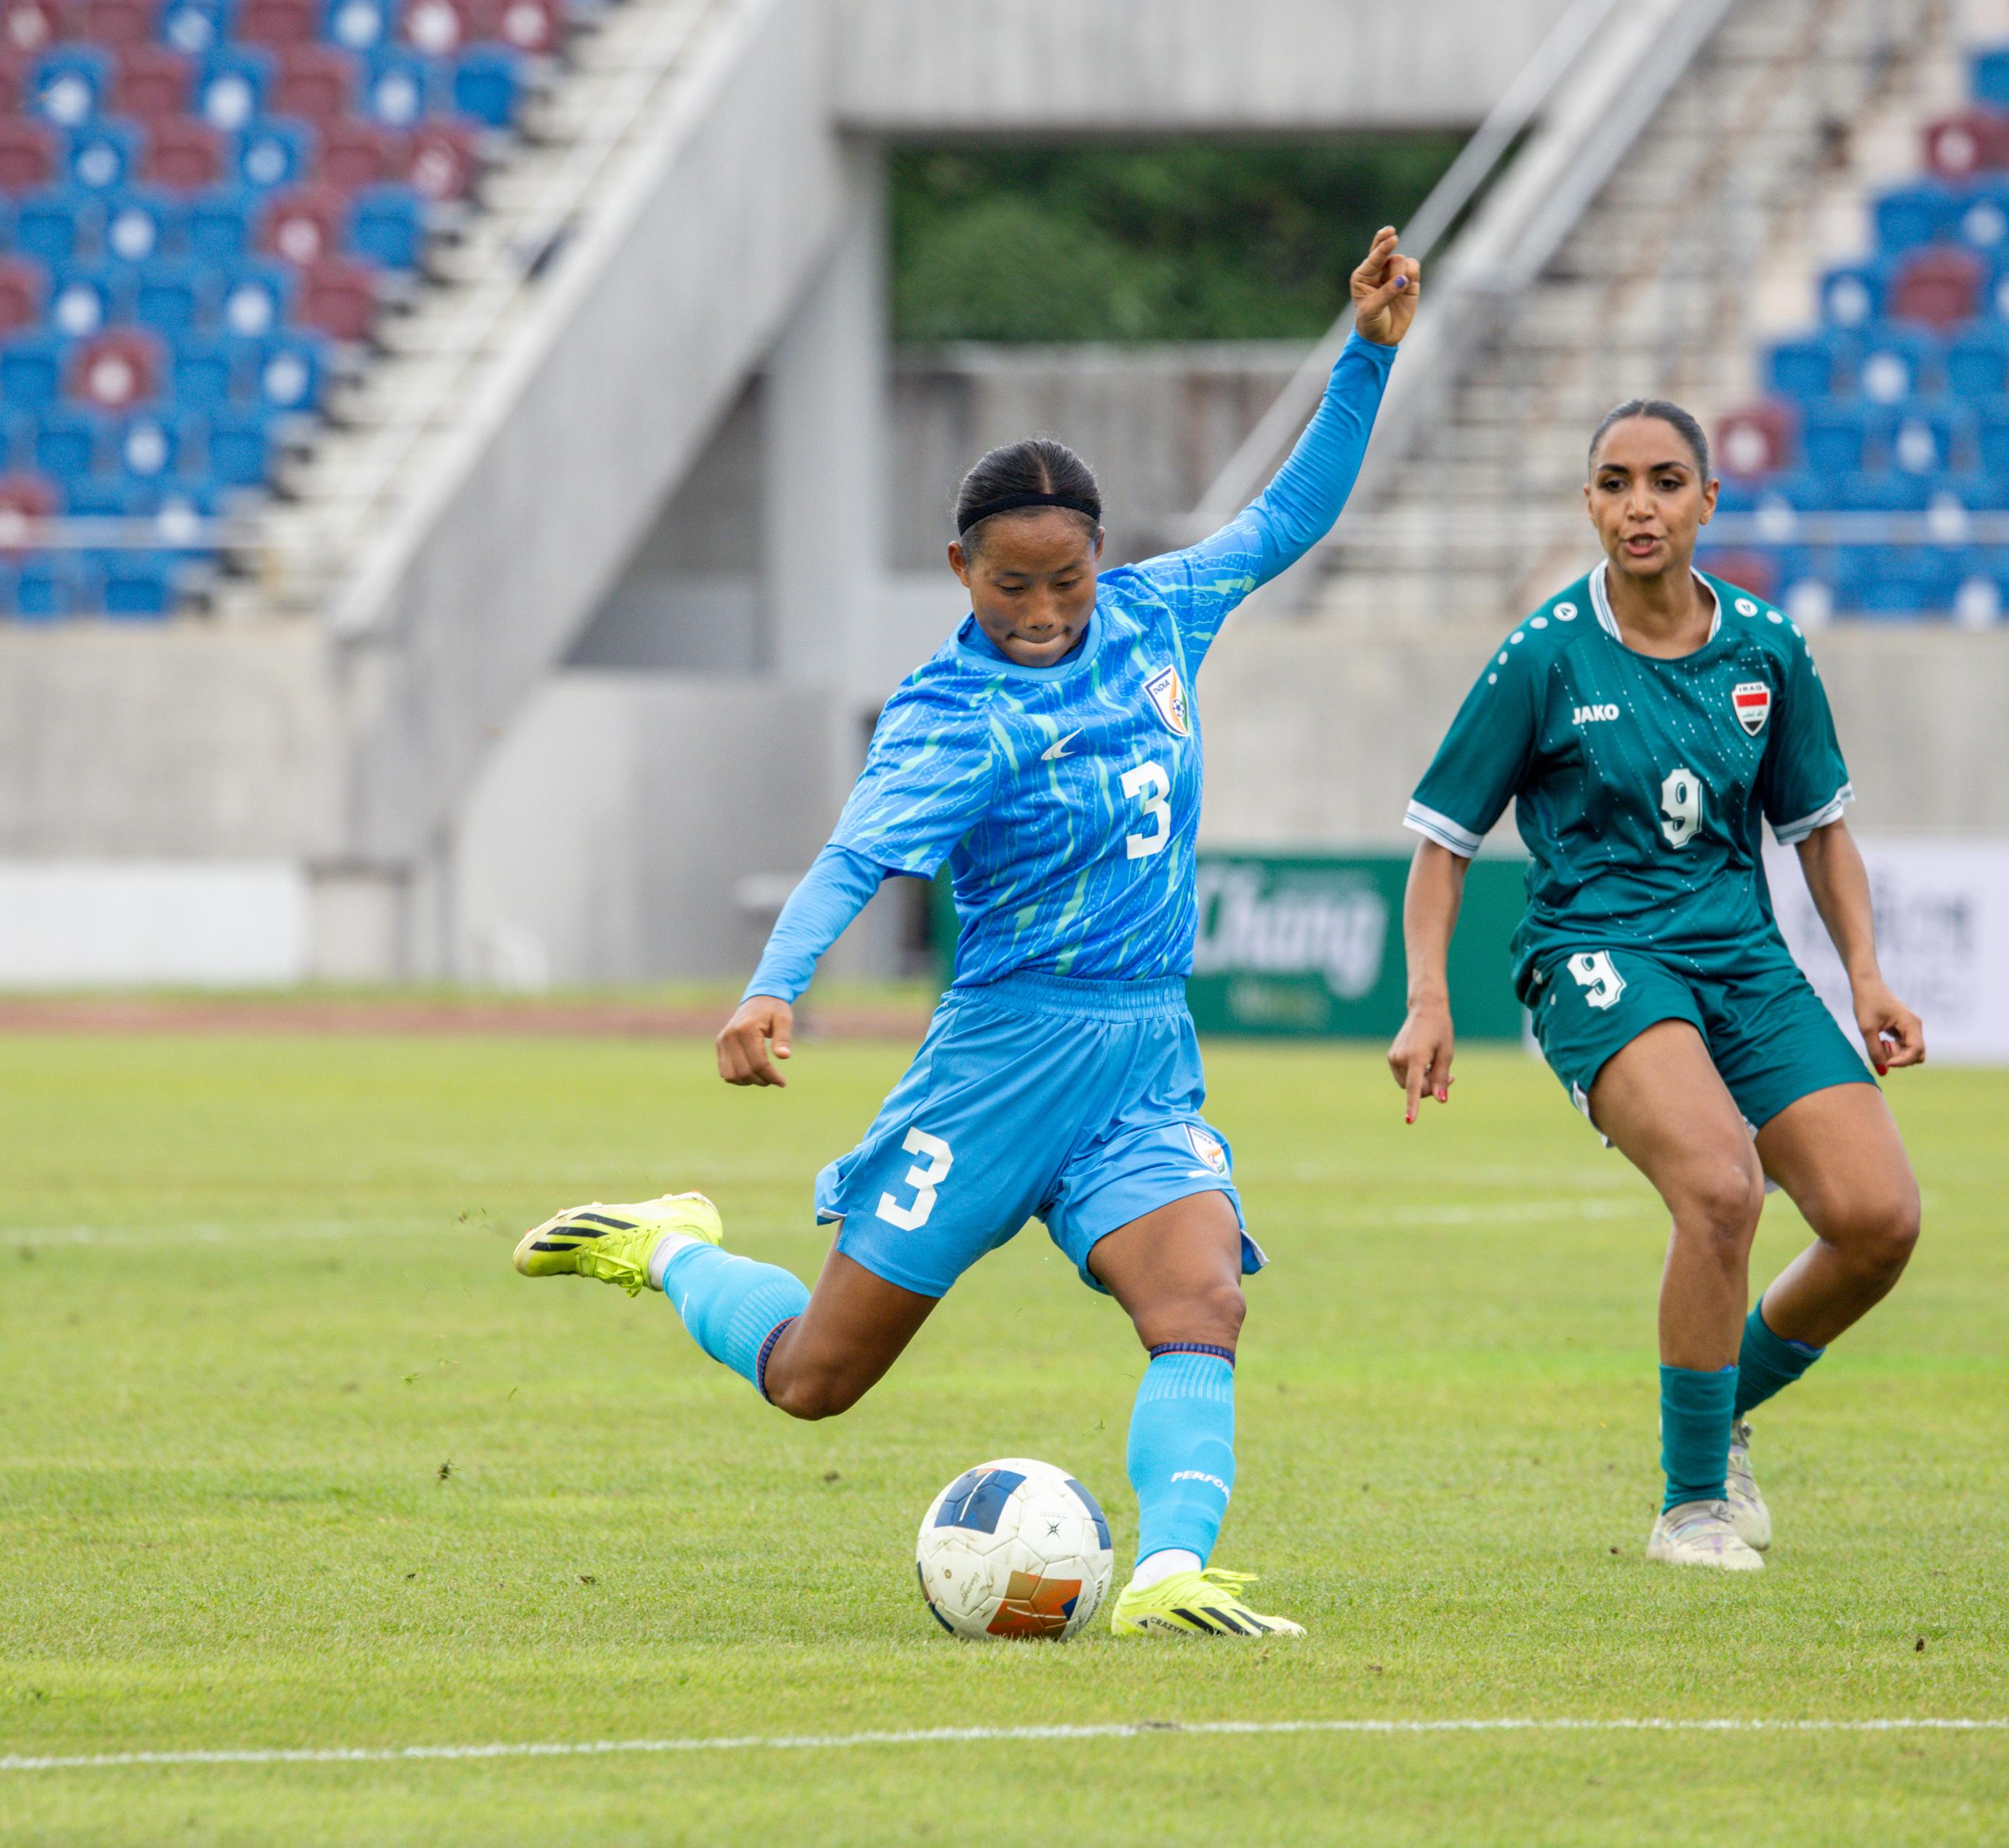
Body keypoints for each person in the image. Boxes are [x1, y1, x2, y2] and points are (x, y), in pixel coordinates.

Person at [515, 228, 1421, 1638]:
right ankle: (673, 1247)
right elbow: (856, 857)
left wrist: (1365, 353)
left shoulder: (1161, 614)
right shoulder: (950, 717)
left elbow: (1284, 520)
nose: (1045, 611)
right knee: (815, 1378)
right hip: (999, 1063)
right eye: (1012, 586)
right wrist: (772, 987)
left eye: (1067, 579)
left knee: (1200, 1301)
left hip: (1141, 1055)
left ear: (1102, 556)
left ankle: (1170, 1571)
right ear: (960, 568)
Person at [1387, 399, 1926, 1572]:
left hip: (1742, 959)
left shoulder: (1768, 649)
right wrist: (1429, 997)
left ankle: (1719, 1412)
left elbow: (1821, 831)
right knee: (1721, 1189)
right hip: (1598, 956)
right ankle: (1691, 1510)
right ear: (1589, 502)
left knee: (1878, 1222)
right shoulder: (1544, 655)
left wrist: (1867, 978)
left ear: (1708, 500)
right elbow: (1443, 844)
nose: (1642, 506)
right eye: (1617, 483)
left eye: (1667, 482)